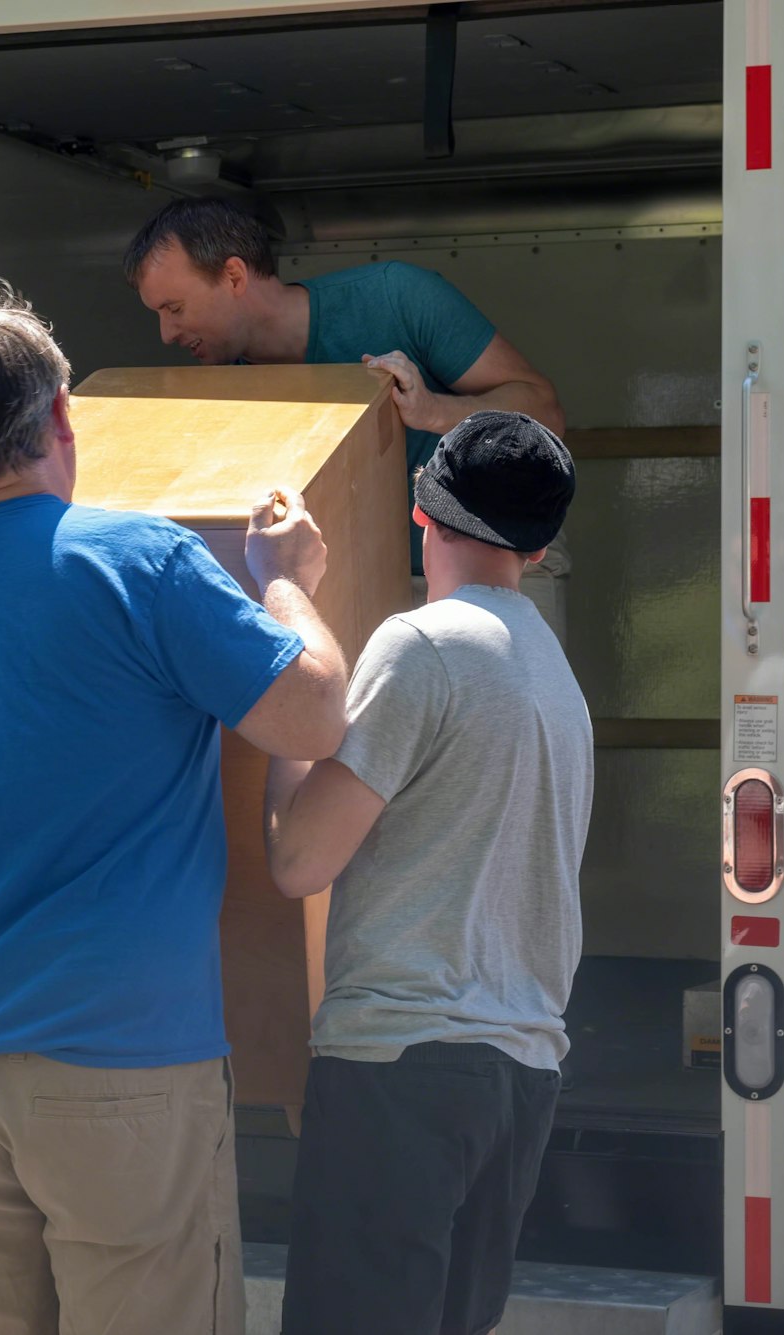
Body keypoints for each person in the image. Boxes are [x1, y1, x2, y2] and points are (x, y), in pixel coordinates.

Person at [0, 288, 350, 1335]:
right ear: (59, 419)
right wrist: (287, 581)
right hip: (120, 1060)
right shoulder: (139, 561)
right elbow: (310, 716)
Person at [260, 411, 593, 1335]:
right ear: (539, 541)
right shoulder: (554, 676)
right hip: (521, 1073)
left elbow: (299, 859)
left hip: (401, 1073)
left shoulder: (425, 646)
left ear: (424, 509)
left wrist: (293, 689)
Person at [123, 198, 570, 629]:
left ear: (235, 276)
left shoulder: (395, 296)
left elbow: (544, 411)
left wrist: (433, 410)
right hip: (351, 598)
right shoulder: (214, 388)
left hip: (498, 579)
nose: (166, 334)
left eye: (174, 308)